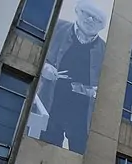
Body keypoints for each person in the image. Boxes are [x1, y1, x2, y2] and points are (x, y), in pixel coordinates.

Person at [37, 0, 107, 154]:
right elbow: (36, 53)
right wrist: (45, 69)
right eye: (87, 14)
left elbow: (107, 88)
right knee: (45, 151)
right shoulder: (56, 27)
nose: (90, 20)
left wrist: (88, 91)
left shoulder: (105, 50)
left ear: (101, 26)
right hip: (52, 103)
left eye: (96, 19)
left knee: (79, 155)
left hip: (81, 113)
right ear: (78, 11)